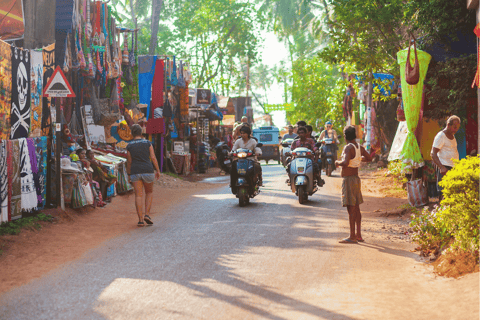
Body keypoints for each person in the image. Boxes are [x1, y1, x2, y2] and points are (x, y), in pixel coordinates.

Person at [335, 125, 372, 244]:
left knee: (350, 208)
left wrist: (337, 162)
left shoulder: (348, 148)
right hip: (356, 179)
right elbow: (369, 158)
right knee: (356, 207)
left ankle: (352, 236)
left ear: (345, 136)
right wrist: (358, 160)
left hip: (349, 180)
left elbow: (345, 163)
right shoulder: (359, 147)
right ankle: (359, 235)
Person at [126, 124, 161, 227]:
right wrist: (158, 170)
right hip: (148, 170)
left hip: (135, 171)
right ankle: (147, 215)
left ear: (132, 133)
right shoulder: (148, 143)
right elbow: (153, 158)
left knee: (138, 195)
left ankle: (140, 220)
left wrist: (128, 174)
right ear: (141, 133)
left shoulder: (129, 146)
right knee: (149, 192)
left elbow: (129, 161)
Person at [430, 115, 461, 201]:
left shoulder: (453, 136)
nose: (456, 130)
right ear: (448, 125)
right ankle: (442, 213)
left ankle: (449, 213)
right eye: (454, 127)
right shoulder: (441, 136)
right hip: (444, 167)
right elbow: (433, 153)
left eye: (457, 127)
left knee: (452, 193)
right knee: (444, 193)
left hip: (453, 167)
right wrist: (441, 167)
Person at [230, 126, 263, 192]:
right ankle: (232, 183)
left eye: (244, 133)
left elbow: (257, 148)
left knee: (257, 166)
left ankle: (259, 180)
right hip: (239, 160)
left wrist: (258, 153)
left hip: (251, 159)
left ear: (248, 134)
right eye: (241, 133)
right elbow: (233, 149)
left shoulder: (253, 141)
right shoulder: (238, 141)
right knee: (232, 167)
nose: (242, 135)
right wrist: (230, 153)